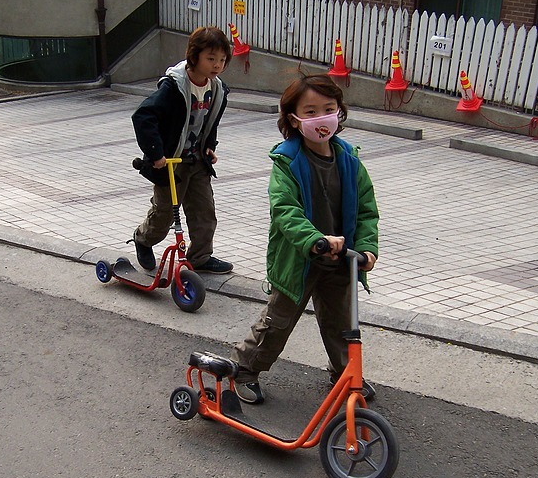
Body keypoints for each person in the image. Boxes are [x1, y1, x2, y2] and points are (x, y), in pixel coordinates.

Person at [231, 74, 380, 404]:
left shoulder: (349, 161)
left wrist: (367, 248)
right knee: (277, 323)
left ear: (339, 113)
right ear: (294, 119)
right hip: (299, 259)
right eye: (310, 112)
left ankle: (345, 376)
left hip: (341, 261)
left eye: (328, 109)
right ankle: (244, 369)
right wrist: (315, 239)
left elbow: (367, 209)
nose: (321, 119)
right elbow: (284, 210)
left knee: (343, 325)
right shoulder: (287, 162)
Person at [130, 26, 234, 274]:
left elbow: (210, 121)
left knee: (204, 212)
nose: (217, 65)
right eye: (211, 58)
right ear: (194, 56)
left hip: (196, 161)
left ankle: (199, 257)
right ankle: (143, 240)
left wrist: (209, 146)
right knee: (164, 214)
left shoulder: (217, 88)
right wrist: (155, 154)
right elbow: (143, 116)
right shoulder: (174, 87)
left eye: (222, 60)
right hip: (169, 162)